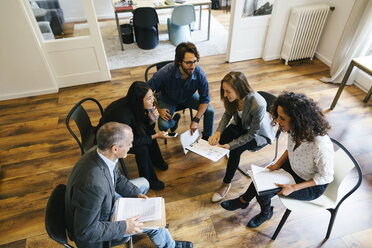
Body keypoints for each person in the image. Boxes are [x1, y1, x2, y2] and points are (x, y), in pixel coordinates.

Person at [65, 122, 193, 248]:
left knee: (143, 183)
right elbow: (85, 231)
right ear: (115, 148)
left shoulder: (102, 152)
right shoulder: (94, 186)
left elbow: (117, 178)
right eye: (129, 143)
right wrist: (125, 226)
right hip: (97, 230)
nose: (132, 146)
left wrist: (136, 194)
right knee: (154, 225)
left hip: (101, 202)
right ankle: (171, 246)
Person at [220, 92, 334, 228]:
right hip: (295, 167)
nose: (278, 121)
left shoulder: (320, 146)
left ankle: (265, 212)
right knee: (262, 176)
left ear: (298, 119)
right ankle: (244, 200)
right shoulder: (295, 129)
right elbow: (291, 150)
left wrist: (293, 187)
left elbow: (326, 177)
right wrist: (277, 164)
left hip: (310, 184)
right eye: (278, 116)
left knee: (264, 192)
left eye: (282, 118)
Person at [208, 71, 275, 203]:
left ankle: (226, 184)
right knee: (223, 137)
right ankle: (228, 150)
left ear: (239, 89)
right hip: (243, 124)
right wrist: (218, 132)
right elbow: (227, 115)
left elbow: (252, 133)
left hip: (257, 135)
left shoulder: (258, 104)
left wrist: (231, 145)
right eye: (224, 91)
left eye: (228, 91)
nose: (225, 95)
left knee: (235, 150)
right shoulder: (233, 98)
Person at [97, 81, 170, 190]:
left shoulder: (136, 106)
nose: (153, 101)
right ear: (139, 99)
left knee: (151, 134)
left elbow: (142, 127)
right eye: (149, 98)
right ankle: (149, 180)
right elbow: (133, 141)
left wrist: (151, 120)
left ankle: (157, 162)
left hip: (125, 132)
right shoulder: (123, 115)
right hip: (110, 139)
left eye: (152, 97)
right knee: (142, 148)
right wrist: (155, 136)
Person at [148, 42, 214, 140]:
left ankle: (206, 139)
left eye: (195, 61)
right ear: (179, 61)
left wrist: (196, 119)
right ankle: (174, 123)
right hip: (167, 99)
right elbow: (146, 92)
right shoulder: (165, 72)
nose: (193, 66)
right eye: (188, 63)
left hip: (187, 97)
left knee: (210, 111)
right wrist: (157, 109)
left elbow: (205, 99)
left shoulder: (199, 74)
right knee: (163, 125)